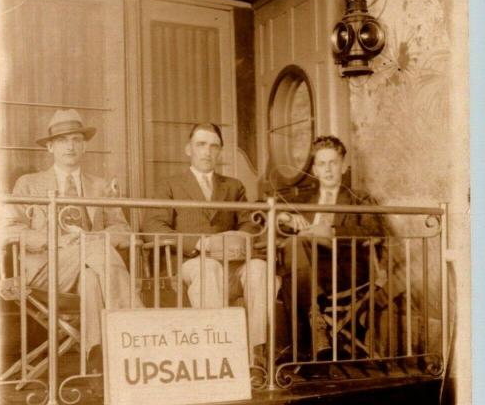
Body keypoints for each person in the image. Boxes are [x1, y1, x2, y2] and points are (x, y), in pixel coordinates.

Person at [5, 108, 143, 366]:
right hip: (45, 272)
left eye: (76, 139)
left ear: (85, 146)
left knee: (92, 275)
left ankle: (96, 361)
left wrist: (92, 238)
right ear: (50, 148)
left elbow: (122, 231)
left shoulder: (100, 187)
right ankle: (138, 332)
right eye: (62, 140)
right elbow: (10, 230)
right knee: (96, 250)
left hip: (90, 267)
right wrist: (55, 241)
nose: (70, 146)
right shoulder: (29, 184)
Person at [144, 123, 268, 362]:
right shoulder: (169, 185)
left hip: (231, 264)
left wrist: (238, 238)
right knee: (207, 267)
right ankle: (219, 354)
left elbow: (249, 223)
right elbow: (153, 228)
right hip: (188, 264)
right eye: (201, 145)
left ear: (220, 151)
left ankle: (255, 353)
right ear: (188, 149)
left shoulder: (233, 186)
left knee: (259, 268)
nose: (207, 152)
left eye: (214, 146)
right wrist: (200, 244)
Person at [279, 135, 385, 359]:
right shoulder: (304, 201)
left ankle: (302, 347)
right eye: (321, 164)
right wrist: (285, 218)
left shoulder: (359, 197)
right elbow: (280, 224)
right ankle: (316, 326)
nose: (327, 170)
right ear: (315, 170)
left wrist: (334, 231)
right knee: (293, 252)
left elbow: (375, 232)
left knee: (292, 269)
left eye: (333, 163)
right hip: (311, 272)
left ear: (343, 166)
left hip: (347, 270)